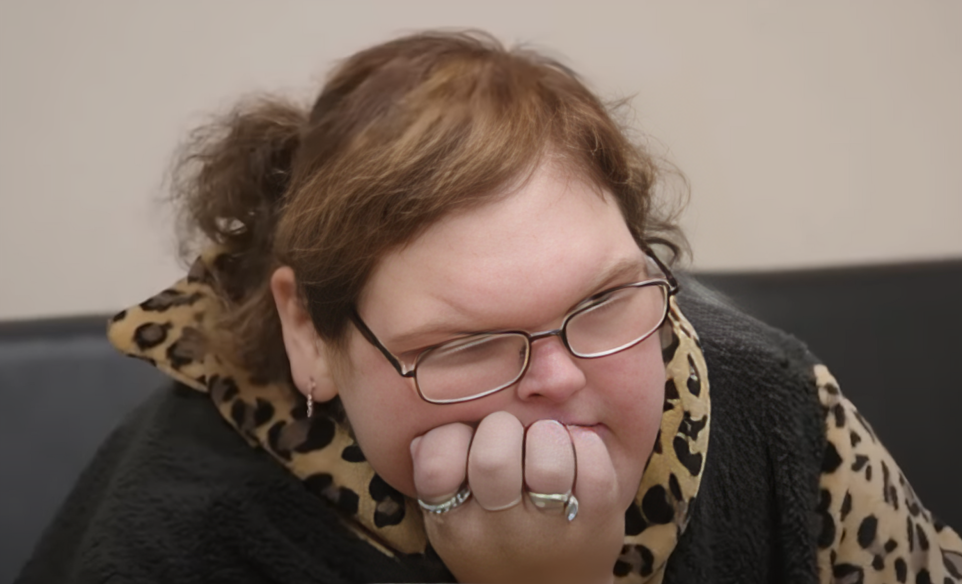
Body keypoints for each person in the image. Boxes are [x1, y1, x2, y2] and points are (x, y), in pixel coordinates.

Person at [16, 30, 962, 584]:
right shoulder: (175, 532)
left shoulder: (776, 408)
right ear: (310, 335)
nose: (560, 379)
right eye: (465, 344)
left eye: (601, 301)